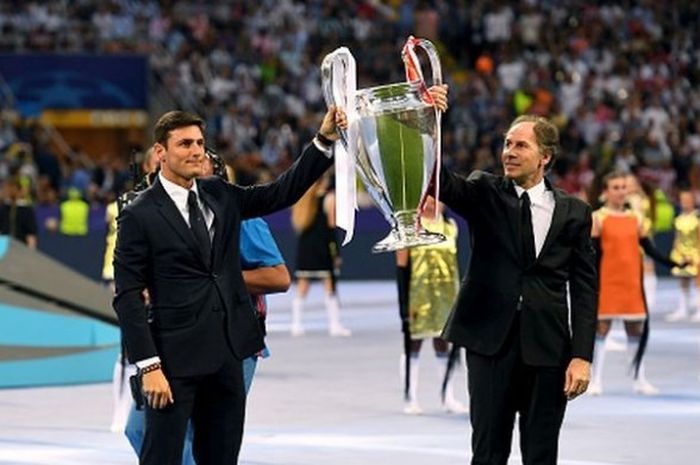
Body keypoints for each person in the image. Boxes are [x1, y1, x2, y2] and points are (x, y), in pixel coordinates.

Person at [112, 108, 345, 465]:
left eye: (200, 144)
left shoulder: (218, 193)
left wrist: (324, 140)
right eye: (185, 143)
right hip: (174, 363)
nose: (195, 151)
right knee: (161, 457)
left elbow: (280, 193)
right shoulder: (138, 213)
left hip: (227, 359)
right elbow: (127, 295)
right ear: (160, 152)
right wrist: (148, 366)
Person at [437, 100, 598, 464]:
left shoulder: (575, 212)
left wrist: (582, 356)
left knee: (541, 454)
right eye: (507, 144)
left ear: (545, 157)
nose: (509, 152)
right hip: (489, 344)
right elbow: (438, 180)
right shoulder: (484, 191)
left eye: (520, 145)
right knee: (489, 453)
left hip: (549, 349)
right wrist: (432, 119)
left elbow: (585, 288)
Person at [589, 171, 683, 396]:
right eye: (615, 187)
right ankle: (596, 380)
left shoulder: (636, 219)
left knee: (635, 331)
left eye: (623, 187)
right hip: (608, 281)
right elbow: (593, 255)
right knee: (601, 329)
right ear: (605, 192)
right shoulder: (598, 218)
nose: (621, 191)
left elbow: (649, 249)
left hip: (631, 281)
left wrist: (673, 264)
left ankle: (639, 379)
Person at [395, 196, 467, 415]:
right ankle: (410, 396)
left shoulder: (450, 227)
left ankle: (447, 396)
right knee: (413, 345)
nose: (430, 203)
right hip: (419, 298)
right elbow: (402, 270)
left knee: (442, 345)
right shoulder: (409, 230)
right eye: (425, 199)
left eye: (435, 199)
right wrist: (404, 305)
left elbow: (456, 266)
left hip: (445, 298)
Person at [289, 173, 350, 337]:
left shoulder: (303, 199)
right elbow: (331, 228)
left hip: (305, 248)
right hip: (322, 247)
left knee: (302, 286)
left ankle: (296, 324)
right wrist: (335, 252)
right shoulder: (330, 199)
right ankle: (334, 324)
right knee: (329, 286)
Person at [666, 187, 700, 322]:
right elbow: (677, 237)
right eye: (682, 200)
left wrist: (695, 254)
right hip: (681, 252)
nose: (685, 202)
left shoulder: (697, 217)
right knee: (683, 281)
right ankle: (683, 308)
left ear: (693, 201)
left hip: (696, 253)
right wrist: (677, 251)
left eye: (688, 200)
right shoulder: (678, 218)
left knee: (698, 282)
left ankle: (698, 309)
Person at [0, 177, 37, 248]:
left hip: (21, 247)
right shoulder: (4, 208)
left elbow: (31, 234)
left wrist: (30, 252)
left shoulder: (26, 210)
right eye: (8, 188)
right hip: (4, 247)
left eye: (13, 188)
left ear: (19, 190)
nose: (9, 191)